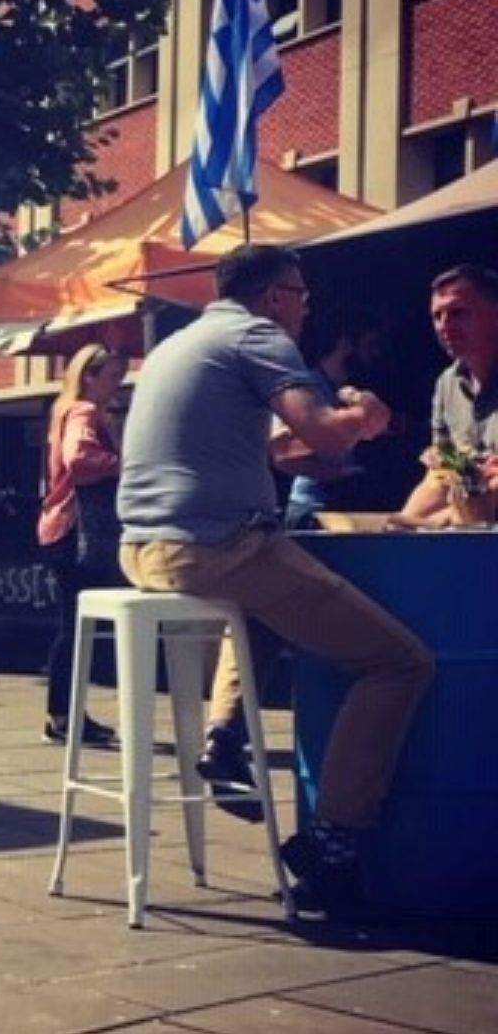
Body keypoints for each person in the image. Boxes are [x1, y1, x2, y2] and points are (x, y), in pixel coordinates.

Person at [116, 244, 431, 916]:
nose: (307, 309)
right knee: (401, 663)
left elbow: (285, 452)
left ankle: (223, 737)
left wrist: (333, 445)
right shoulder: (259, 335)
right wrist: (365, 416)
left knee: (260, 604)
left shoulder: (184, 341)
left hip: (144, 547)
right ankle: (333, 841)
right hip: (216, 547)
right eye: (304, 296)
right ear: (277, 295)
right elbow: (325, 434)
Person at [36, 344, 127, 746]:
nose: (116, 385)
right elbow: (79, 460)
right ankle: (65, 716)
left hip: (60, 528)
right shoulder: (84, 413)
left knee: (72, 626)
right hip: (77, 530)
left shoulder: (64, 411)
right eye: (110, 377)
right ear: (87, 376)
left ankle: (63, 714)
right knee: (76, 628)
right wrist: (124, 464)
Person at [394, 264, 498, 527]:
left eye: (458, 313)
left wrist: (437, 522)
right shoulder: (447, 384)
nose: (444, 325)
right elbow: (442, 473)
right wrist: (402, 524)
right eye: (437, 316)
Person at [275, 316, 383, 530]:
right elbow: (284, 457)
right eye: (370, 345)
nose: (376, 353)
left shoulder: (341, 389)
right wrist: (340, 474)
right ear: (345, 345)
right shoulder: (304, 389)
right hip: (311, 510)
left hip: (335, 506)